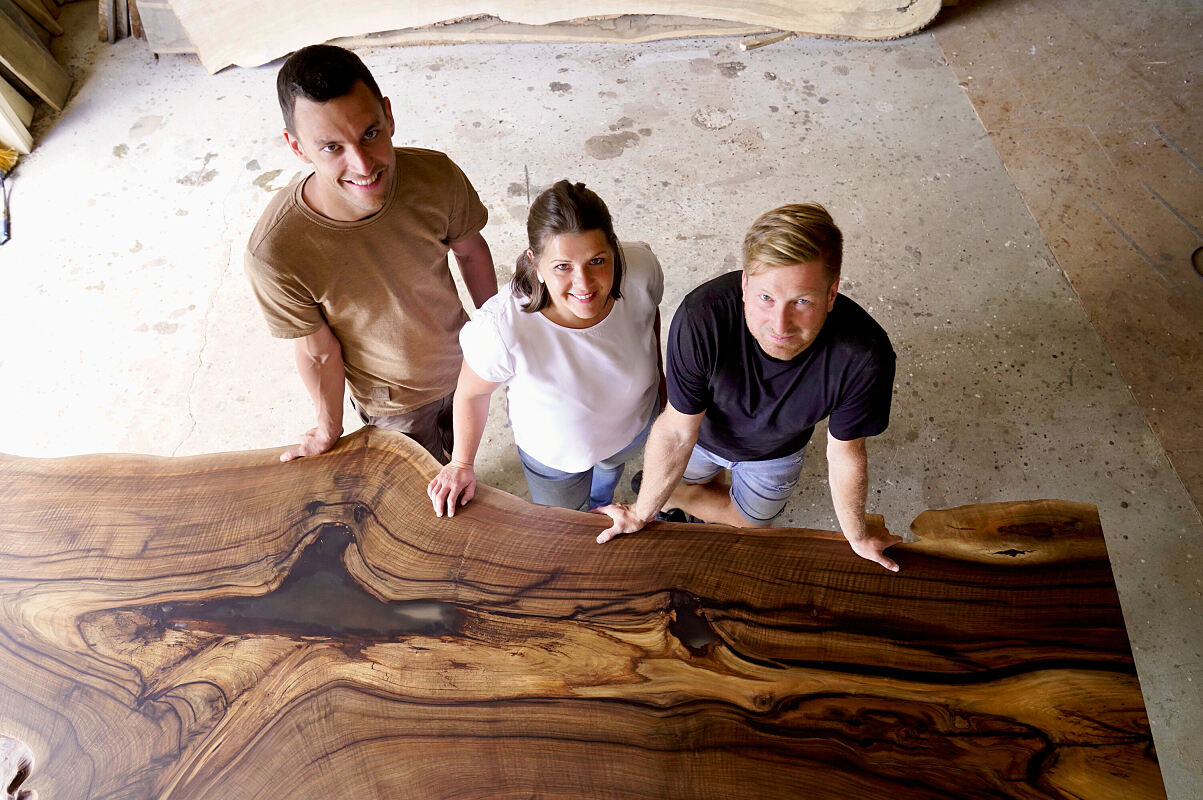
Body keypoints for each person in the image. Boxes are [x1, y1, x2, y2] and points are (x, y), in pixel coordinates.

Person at [595, 203, 902, 572]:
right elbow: (678, 431)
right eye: (766, 298)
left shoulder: (864, 355)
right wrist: (642, 513)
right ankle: (669, 493)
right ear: (744, 284)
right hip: (702, 437)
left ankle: (674, 494)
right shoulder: (701, 317)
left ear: (832, 294)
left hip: (775, 453)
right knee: (676, 487)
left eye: (802, 301)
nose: (780, 324)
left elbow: (845, 454)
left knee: (751, 526)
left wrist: (857, 535)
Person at [245, 44, 496, 464]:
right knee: (419, 490)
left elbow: (471, 253)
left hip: (467, 364)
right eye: (331, 148)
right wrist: (328, 428)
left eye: (370, 134)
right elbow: (318, 351)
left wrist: (499, 337)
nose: (363, 165)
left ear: (389, 115)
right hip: (393, 404)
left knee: (462, 461)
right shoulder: (276, 252)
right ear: (297, 147)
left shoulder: (437, 177)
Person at [427, 180, 665, 516]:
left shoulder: (641, 268)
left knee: (607, 484)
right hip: (554, 461)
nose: (583, 284)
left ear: (614, 249)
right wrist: (462, 462)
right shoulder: (501, 326)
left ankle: (600, 501)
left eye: (597, 261)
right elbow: (471, 393)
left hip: (632, 431)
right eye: (562, 267)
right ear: (536, 264)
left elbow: (648, 317)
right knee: (565, 521)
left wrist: (663, 391)